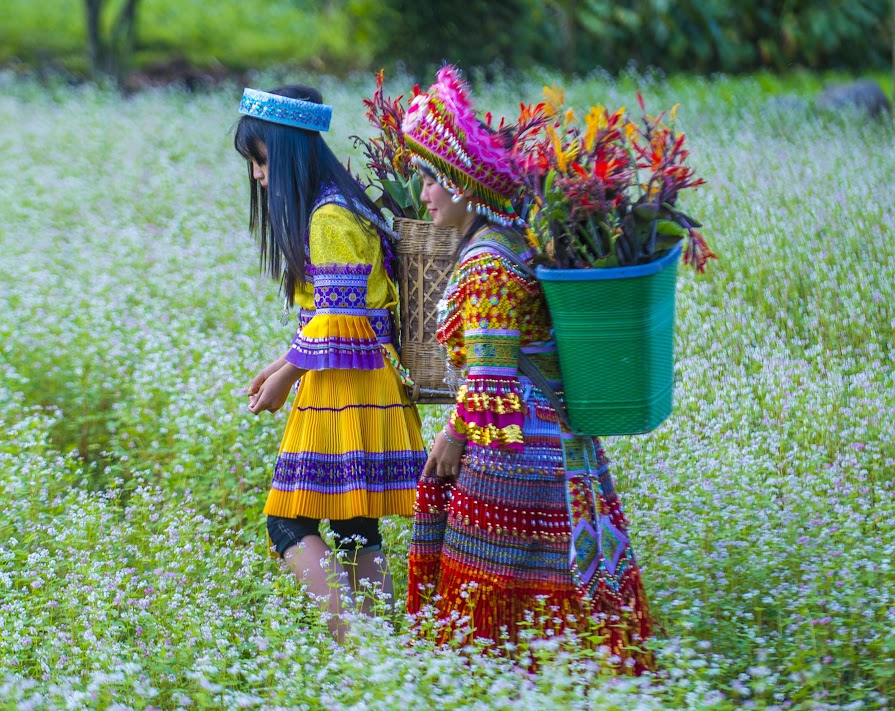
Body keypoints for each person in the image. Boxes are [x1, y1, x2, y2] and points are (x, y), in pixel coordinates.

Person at [400, 67, 653, 670]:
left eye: (431, 181)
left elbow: (487, 378)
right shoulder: (511, 241)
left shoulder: (487, 261)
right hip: (551, 436)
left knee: (499, 581)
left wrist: (449, 440)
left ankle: (502, 682)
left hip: (511, 443)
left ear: (461, 184)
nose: (424, 195)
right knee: (550, 581)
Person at [235, 85, 427, 642]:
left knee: (287, 520)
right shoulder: (345, 207)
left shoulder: (327, 218)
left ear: (290, 153)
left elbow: (342, 319)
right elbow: (336, 314)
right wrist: (279, 366)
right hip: (361, 379)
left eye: (262, 160)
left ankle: (355, 643)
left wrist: (284, 380)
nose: (258, 177)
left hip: (347, 387)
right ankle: (383, 649)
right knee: (352, 522)